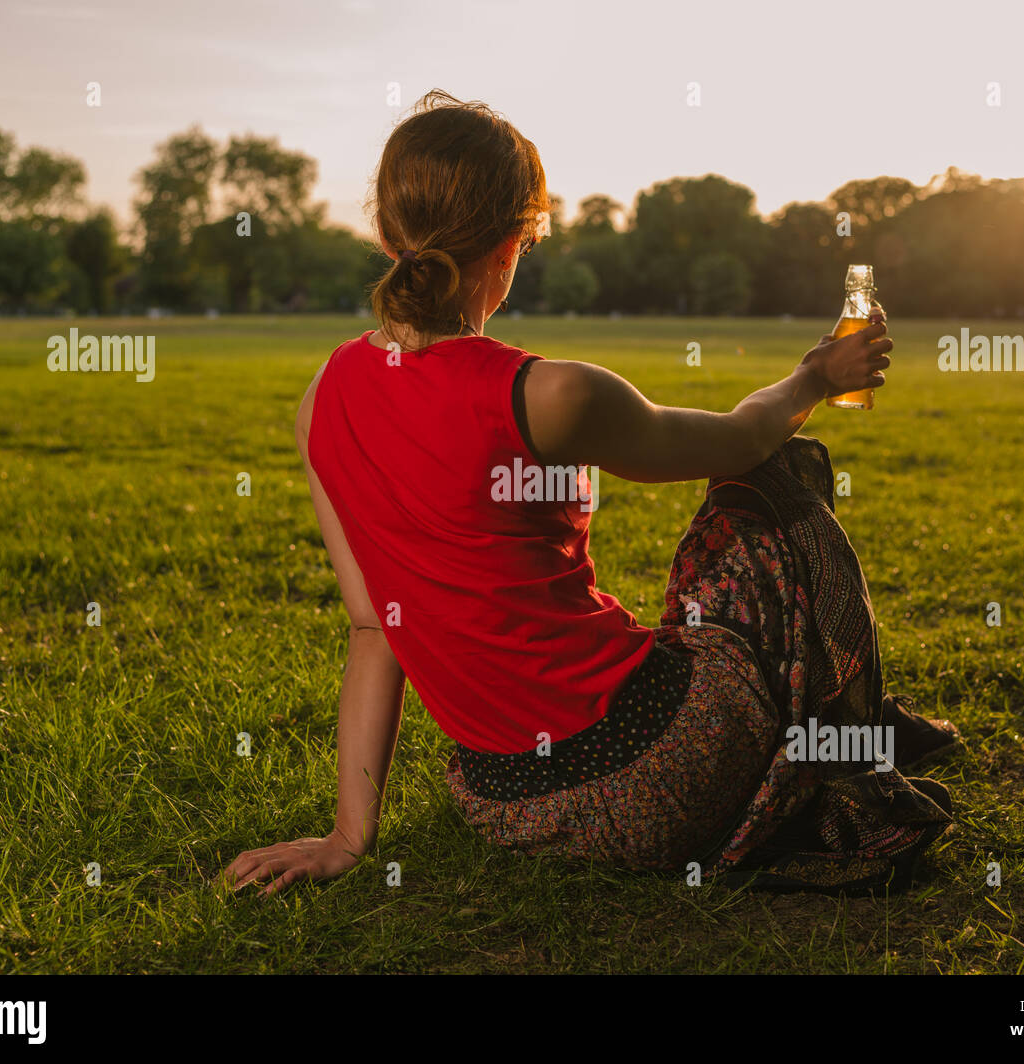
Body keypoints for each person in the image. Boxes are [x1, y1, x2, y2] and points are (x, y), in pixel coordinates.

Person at [222, 89, 961, 897]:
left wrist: (348, 835)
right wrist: (812, 377)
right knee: (780, 475)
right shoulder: (549, 393)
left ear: (386, 233)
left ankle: (839, 730)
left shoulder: (320, 399)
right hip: (665, 770)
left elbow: (374, 627)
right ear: (516, 240)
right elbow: (746, 439)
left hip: (511, 805)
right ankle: (845, 730)